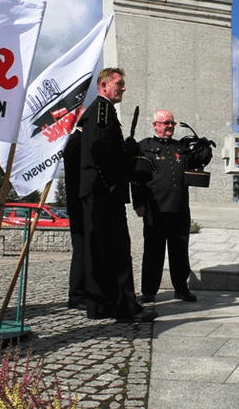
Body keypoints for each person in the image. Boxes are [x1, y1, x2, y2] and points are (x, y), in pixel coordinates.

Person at [77, 68, 157, 322]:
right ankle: (126, 307)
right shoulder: (102, 110)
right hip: (104, 192)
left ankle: (101, 306)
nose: (123, 88)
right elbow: (99, 150)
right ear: (104, 86)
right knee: (119, 250)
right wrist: (112, 182)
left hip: (97, 192)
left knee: (100, 251)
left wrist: (124, 151)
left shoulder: (100, 110)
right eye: (119, 83)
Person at [132, 109, 213, 303]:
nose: (170, 126)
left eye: (172, 123)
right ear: (155, 125)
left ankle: (181, 288)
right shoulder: (144, 146)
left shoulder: (181, 147)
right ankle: (149, 291)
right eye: (166, 123)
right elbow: (136, 179)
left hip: (179, 208)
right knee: (153, 252)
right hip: (155, 209)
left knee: (180, 251)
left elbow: (196, 164)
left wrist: (203, 150)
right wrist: (139, 204)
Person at [64, 125, 85, 310]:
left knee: (84, 250)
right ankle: (77, 295)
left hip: (80, 205)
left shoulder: (76, 141)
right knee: (81, 251)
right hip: (80, 205)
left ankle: (81, 293)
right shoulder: (77, 142)